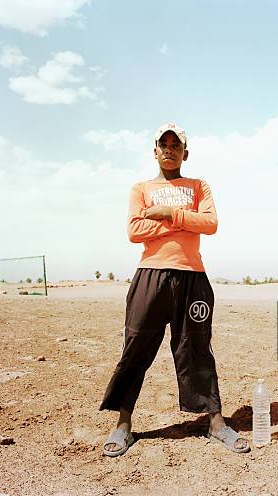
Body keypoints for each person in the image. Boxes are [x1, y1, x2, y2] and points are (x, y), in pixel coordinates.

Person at [99, 123, 249, 456]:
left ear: (185, 152)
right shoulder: (140, 188)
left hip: (192, 276)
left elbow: (209, 224)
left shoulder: (198, 185)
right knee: (136, 346)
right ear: (155, 150)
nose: (169, 148)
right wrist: (185, 219)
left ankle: (216, 423)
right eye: (163, 144)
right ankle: (123, 425)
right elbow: (135, 230)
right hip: (150, 276)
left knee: (197, 347)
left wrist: (167, 212)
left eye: (175, 144)